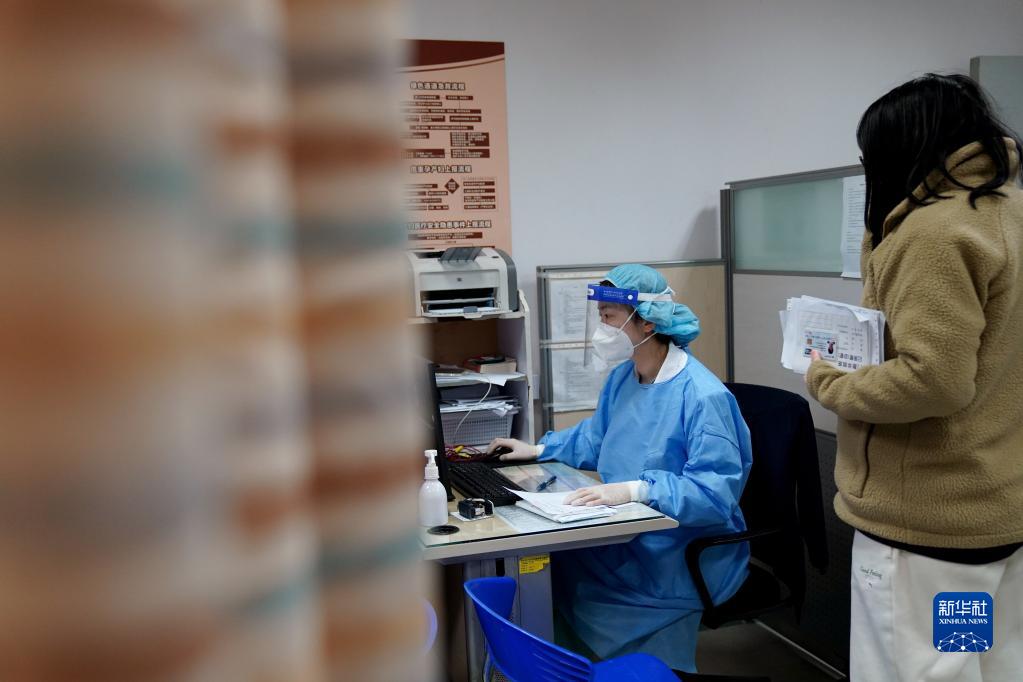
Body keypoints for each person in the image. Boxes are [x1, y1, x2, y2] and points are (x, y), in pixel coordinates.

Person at [805, 74, 1023, 682]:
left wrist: (828, 383)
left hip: (925, 526)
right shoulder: (1009, 213)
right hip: (990, 517)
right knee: (982, 661)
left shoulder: (934, 231)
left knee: (917, 670)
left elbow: (933, 380)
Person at [489, 264, 751, 672]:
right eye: (600, 317)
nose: (601, 330)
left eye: (609, 317)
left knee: (571, 578)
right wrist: (537, 448)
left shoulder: (703, 397)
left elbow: (714, 494)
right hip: (629, 534)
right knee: (554, 566)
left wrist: (636, 490)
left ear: (648, 322)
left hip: (679, 552)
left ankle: (644, 672)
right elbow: (596, 439)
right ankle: (574, 672)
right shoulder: (624, 379)